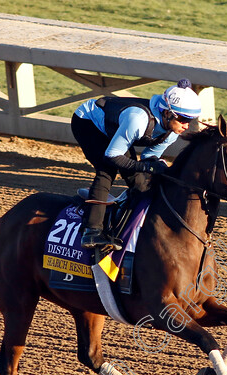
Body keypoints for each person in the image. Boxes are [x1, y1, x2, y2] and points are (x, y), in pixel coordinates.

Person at [71, 79, 202, 250]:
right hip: (88, 122)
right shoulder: (138, 120)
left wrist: (158, 168)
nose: (187, 125)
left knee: (140, 183)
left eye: (190, 120)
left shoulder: (172, 132)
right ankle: (92, 232)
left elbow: (149, 157)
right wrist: (148, 167)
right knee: (107, 171)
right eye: (183, 119)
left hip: (115, 129)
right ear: (167, 113)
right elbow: (112, 156)